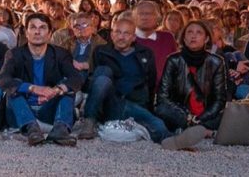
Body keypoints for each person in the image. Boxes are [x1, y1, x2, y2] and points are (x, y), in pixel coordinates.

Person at [75, 16, 204, 150]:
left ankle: (171, 141)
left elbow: (151, 82)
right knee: (103, 73)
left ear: (134, 37)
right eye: (118, 32)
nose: (121, 37)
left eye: (126, 33)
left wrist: (147, 106)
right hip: (109, 102)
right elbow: (93, 83)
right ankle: (89, 121)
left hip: (132, 102)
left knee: (155, 121)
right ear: (112, 35)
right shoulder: (101, 51)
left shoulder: (145, 54)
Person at [0, 13, 83, 146]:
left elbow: (76, 78)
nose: (37, 32)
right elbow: (3, 80)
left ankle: (60, 130)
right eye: (33, 27)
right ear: (26, 32)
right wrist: (33, 88)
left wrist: (56, 91)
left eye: (42, 28)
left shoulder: (60, 54)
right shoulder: (14, 54)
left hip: (48, 107)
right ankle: (32, 129)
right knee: (13, 90)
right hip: (22, 109)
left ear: (49, 33)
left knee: (67, 90)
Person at [155, 21, 222, 147]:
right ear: (184, 38)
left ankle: (190, 130)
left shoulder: (216, 62)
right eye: (190, 32)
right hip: (180, 113)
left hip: (207, 115)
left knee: (227, 112)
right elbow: (163, 97)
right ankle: (199, 130)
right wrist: (188, 117)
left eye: (199, 33)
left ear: (206, 38)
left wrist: (201, 118)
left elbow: (219, 99)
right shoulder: (173, 60)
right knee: (161, 109)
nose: (193, 36)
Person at [133, 1, 178, 87]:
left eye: (149, 14)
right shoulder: (126, 39)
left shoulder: (167, 38)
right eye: (141, 14)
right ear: (134, 17)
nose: (145, 17)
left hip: (165, 92)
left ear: (157, 18)